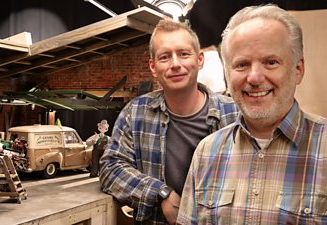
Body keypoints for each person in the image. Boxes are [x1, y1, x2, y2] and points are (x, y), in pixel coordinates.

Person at [177, 4, 327, 224]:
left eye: (271, 62)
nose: (255, 77)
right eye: (242, 64)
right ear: (228, 75)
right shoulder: (206, 153)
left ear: (298, 69)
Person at [99, 18, 239, 225]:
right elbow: (110, 167)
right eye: (165, 57)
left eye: (183, 54)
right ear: (153, 67)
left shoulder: (233, 114)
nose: (175, 64)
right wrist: (159, 192)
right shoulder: (136, 113)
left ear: (199, 59)